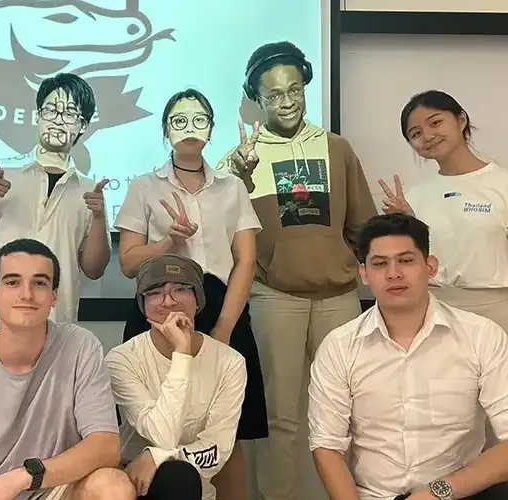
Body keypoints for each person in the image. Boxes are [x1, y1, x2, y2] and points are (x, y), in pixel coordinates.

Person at [217, 40, 378, 500]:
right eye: (274, 95)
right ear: (256, 99)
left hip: (338, 300)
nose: (286, 102)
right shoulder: (239, 159)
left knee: (353, 412)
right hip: (275, 299)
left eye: (294, 90)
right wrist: (238, 178)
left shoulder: (336, 148)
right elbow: (221, 238)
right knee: (280, 418)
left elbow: (362, 225)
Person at [308, 213, 508, 500]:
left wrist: (439, 492)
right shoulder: (339, 346)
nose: (394, 273)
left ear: (430, 267)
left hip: (455, 494)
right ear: (364, 273)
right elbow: (327, 446)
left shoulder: (480, 336)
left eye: (406, 260)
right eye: (380, 264)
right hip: (377, 496)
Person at [115, 88, 267, 500]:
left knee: (232, 432)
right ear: (166, 130)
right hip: (159, 308)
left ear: (211, 130)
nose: (189, 128)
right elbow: (128, 262)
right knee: (153, 422)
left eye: (199, 120)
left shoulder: (232, 187)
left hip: (222, 306)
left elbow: (246, 260)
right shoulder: (144, 186)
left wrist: (224, 328)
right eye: (179, 121)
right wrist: (168, 243)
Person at [0, 238, 135, 500]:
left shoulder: (80, 347)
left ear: (54, 296)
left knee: (112, 485)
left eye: (40, 283)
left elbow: (105, 446)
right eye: (13, 282)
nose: (26, 294)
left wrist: (21, 478)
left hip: (56, 488)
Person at [379, 89, 508, 376]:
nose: (428, 136)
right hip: (433, 312)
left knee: (505, 402)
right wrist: (404, 224)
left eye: (436, 122)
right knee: (438, 402)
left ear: (461, 120)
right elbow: (410, 266)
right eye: (416, 133)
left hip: (495, 313)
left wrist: (502, 308)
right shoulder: (414, 197)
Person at [0, 72, 112, 341]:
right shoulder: (1, 174)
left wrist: (98, 217)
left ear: (83, 125)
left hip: (56, 326)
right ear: (38, 116)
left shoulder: (89, 191)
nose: (58, 120)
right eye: (50, 110)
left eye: (69, 113)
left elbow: (94, 270)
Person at [106, 254, 248, 500]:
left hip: (190, 485)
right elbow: (162, 436)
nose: (168, 301)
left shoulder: (230, 362)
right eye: (155, 292)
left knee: (178, 476)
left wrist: (158, 456)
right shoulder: (122, 359)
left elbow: (217, 450)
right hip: (133, 482)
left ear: (197, 300)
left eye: (180, 289)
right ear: (143, 304)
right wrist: (182, 354)